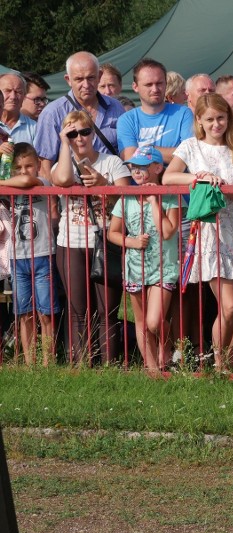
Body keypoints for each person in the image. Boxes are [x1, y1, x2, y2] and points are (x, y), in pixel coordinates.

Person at [163, 93, 233, 370]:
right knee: (229, 307)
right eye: (210, 119)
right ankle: (219, 361)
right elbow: (168, 177)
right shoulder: (190, 147)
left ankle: (222, 359)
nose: (217, 124)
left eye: (221, 118)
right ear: (200, 120)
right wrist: (198, 177)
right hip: (209, 231)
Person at [50, 110, 132, 364]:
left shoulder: (111, 162)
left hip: (106, 241)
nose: (80, 138)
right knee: (78, 311)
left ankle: (108, 364)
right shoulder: (60, 163)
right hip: (71, 242)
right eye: (72, 133)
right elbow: (62, 179)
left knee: (107, 309)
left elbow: (127, 196)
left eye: (85, 131)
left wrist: (102, 183)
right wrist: (64, 144)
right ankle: (81, 364)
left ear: (93, 133)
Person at [107, 147, 180, 372]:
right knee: (141, 321)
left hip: (164, 267)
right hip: (135, 267)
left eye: (141, 166)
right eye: (133, 166)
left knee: (154, 321)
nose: (135, 171)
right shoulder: (126, 197)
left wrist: (154, 201)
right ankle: (151, 369)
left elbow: (168, 231)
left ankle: (167, 347)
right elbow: (113, 232)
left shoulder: (170, 196)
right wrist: (132, 242)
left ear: (158, 168)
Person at [0, 142, 61, 366]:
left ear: (37, 166)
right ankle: (29, 361)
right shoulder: (8, 185)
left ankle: (48, 360)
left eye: (29, 166)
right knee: (24, 313)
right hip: (18, 257)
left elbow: (27, 182)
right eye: (18, 167)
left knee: (46, 312)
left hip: (43, 254)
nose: (24, 172)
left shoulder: (41, 182)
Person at [34, 52, 126, 178]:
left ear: (99, 76)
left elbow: (126, 154)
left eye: (91, 78)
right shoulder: (52, 113)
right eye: (79, 79)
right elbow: (45, 166)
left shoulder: (116, 107)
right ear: (68, 80)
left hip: (110, 193)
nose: (86, 85)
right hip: (71, 194)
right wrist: (54, 197)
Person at [117, 59, 194, 166]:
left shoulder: (183, 113)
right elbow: (131, 161)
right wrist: (172, 154)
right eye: (148, 85)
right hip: (141, 182)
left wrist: (146, 149)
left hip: (176, 182)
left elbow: (190, 155)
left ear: (166, 83)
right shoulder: (126, 120)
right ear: (135, 87)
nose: (155, 89)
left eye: (159, 83)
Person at [0, 73, 37, 146]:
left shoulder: (34, 128)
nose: (13, 97)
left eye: (18, 92)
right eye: (7, 91)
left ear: (24, 96)